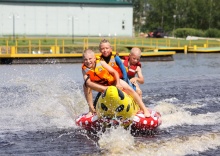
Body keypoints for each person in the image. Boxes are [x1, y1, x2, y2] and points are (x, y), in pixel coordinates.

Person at [82, 49, 151, 118]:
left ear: (94, 58)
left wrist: (118, 83)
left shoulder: (101, 62)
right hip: (102, 87)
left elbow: (115, 72)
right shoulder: (84, 69)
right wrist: (105, 89)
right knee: (85, 85)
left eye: (90, 59)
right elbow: (88, 83)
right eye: (85, 59)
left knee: (130, 89)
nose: (88, 61)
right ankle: (91, 109)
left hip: (113, 82)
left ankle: (144, 109)